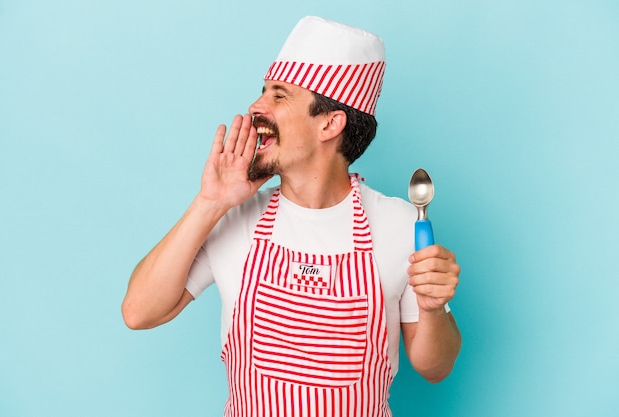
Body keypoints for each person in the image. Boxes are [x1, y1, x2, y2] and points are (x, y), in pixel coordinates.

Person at [122, 16, 461, 416]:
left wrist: (434, 306)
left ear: (330, 124)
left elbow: (434, 367)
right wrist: (210, 202)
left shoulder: (401, 226)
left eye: (279, 96)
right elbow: (139, 312)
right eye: (262, 91)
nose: (256, 107)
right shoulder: (235, 219)